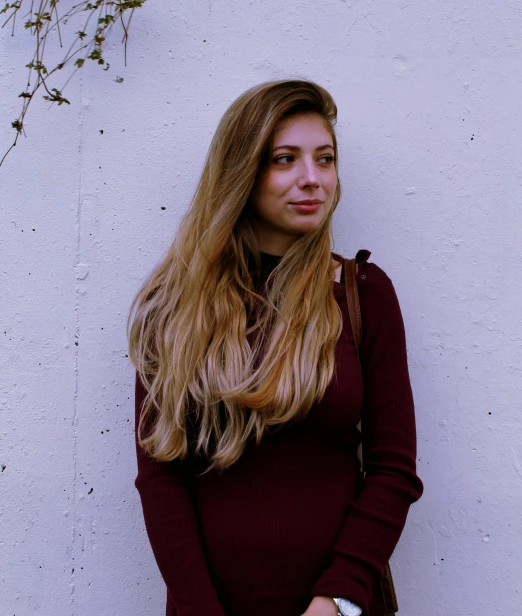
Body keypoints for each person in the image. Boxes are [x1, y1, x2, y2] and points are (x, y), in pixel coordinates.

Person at [128, 79, 424, 616]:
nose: (313, 180)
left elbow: (393, 469)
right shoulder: (176, 306)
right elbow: (160, 475)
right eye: (285, 159)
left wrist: (336, 599)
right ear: (242, 172)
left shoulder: (363, 294)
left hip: (336, 608)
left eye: (326, 159)